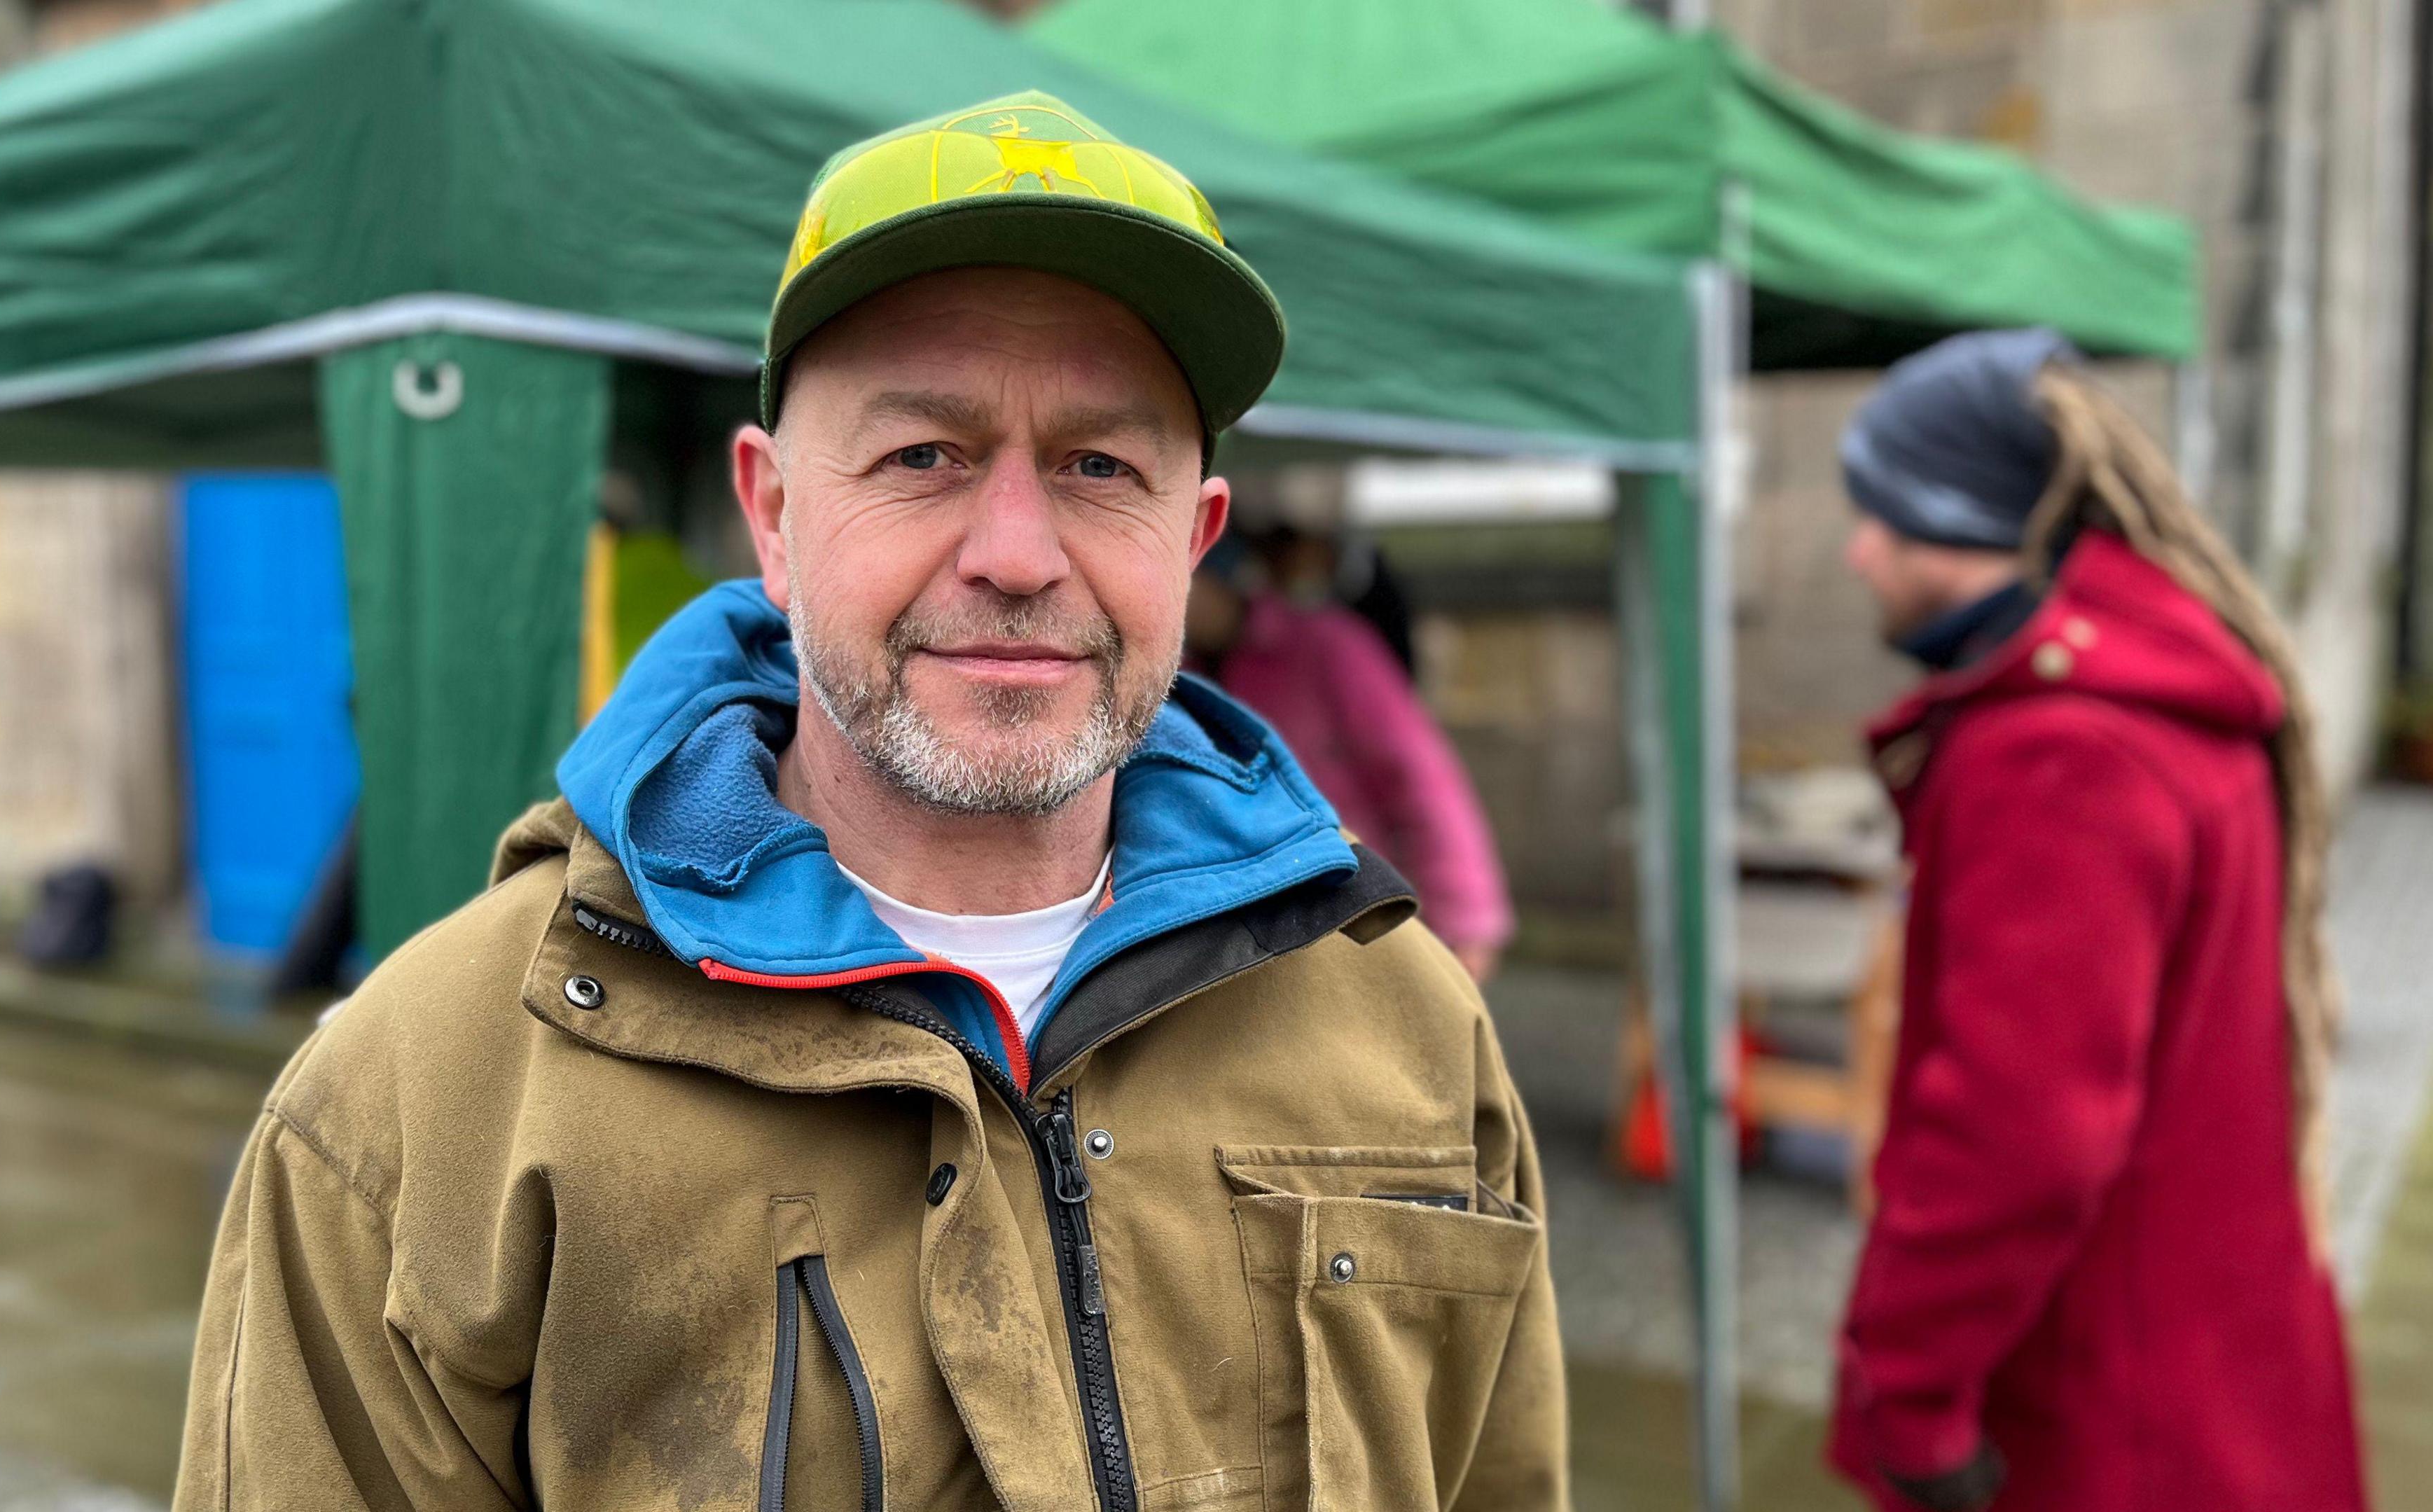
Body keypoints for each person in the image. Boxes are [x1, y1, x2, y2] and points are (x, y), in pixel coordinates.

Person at [176, 92, 1564, 1512]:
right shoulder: (425, 1098)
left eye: (1102, 465)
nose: (1019, 553)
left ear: (1195, 536)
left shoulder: (1403, 1022)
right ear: (774, 516)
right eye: (924, 456)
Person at [1827, 328, 2368, 1511]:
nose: (1858, 551)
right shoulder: (2160, 691)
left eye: (1881, 515)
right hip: (2215, 1357)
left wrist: (1907, 1394)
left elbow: (2020, 1128)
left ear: (1959, 519)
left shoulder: (2058, 751)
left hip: (2104, 1412)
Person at [1186, 533, 1516, 979]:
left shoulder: (1327, 645)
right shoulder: (1172, 672)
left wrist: (1466, 916)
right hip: (1230, 935)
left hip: (1352, 913)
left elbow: (1420, 774)